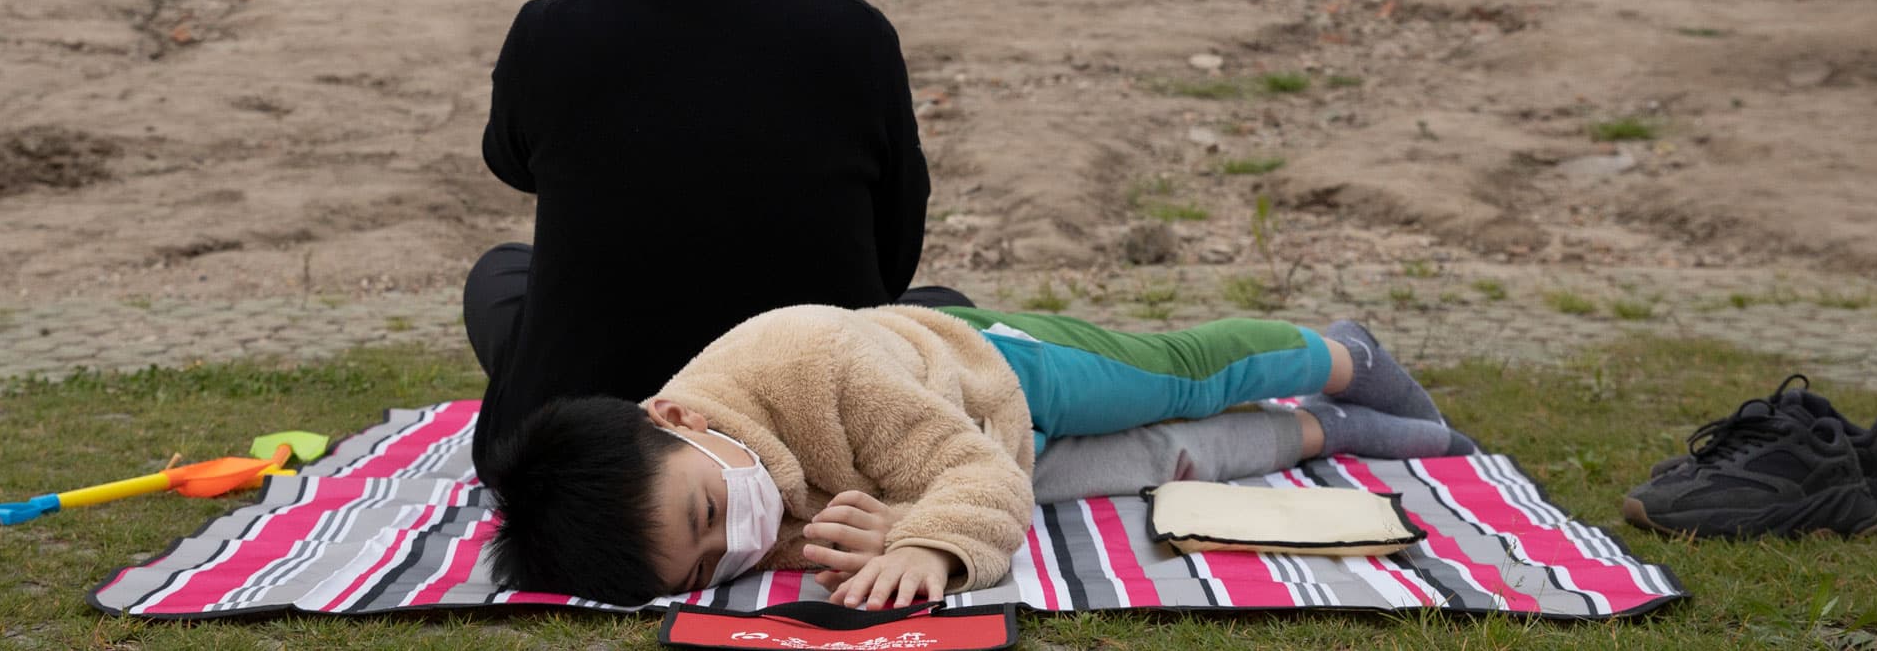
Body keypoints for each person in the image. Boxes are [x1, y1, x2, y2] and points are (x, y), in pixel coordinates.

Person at [465, 0, 967, 478]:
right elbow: (891, 261)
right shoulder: (854, 36)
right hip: (810, 427)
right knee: (944, 309)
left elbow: (514, 162)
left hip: (589, 435)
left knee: (501, 276)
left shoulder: (553, 31)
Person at [483, 305, 1470, 609]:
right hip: (970, 453)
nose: (737, 543)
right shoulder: (725, 495)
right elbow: (874, 509)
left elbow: (974, 480)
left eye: (709, 513)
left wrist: (934, 547)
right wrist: (878, 528)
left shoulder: (810, 360)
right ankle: (1328, 431)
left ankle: (1342, 353)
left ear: (673, 412)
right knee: (1168, 458)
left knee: (1174, 380)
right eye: (703, 567)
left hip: (995, 373)